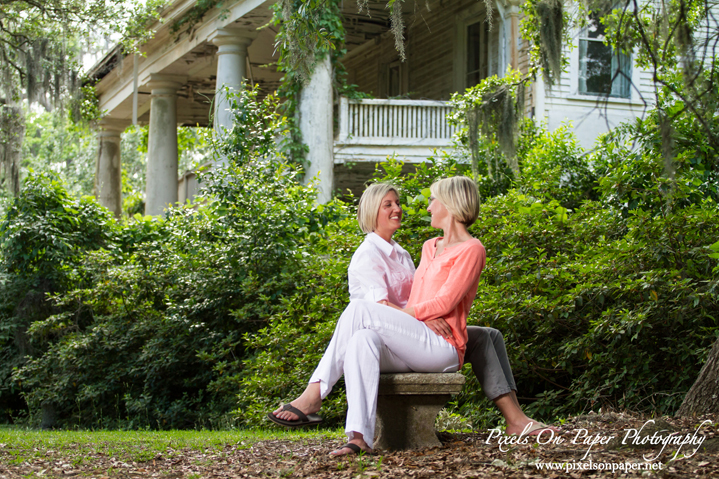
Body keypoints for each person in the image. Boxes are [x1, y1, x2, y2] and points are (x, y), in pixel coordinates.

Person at [344, 183, 554, 440]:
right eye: (389, 204)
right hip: (410, 336)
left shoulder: (466, 249)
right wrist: (424, 318)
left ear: (451, 205)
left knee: (489, 335)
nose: (428, 206)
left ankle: (516, 419)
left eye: (433, 200)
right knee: (360, 318)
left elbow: (441, 302)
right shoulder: (425, 247)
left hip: (426, 337)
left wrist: (425, 317)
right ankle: (515, 419)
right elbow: (409, 302)